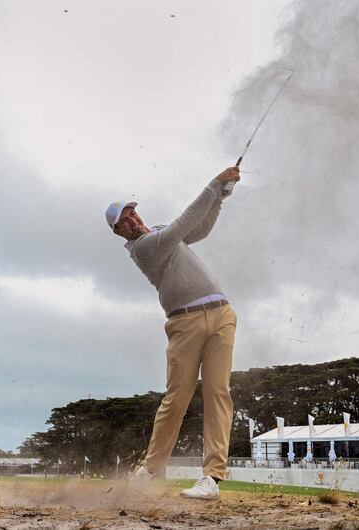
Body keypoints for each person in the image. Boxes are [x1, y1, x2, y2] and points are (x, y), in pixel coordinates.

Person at [105, 167, 240, 500]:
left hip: (221, 313)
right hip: (184, 324)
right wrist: (214, 184)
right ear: (119, 232)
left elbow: (199, 228)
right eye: (124, 220)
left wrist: (220, 198)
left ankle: (211, 478)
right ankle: (150, 470)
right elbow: (184, 222)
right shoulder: (144, 248)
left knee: (217, 392)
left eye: (132, 213)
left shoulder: (162, 233)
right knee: (177, 398)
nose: (132, 220)